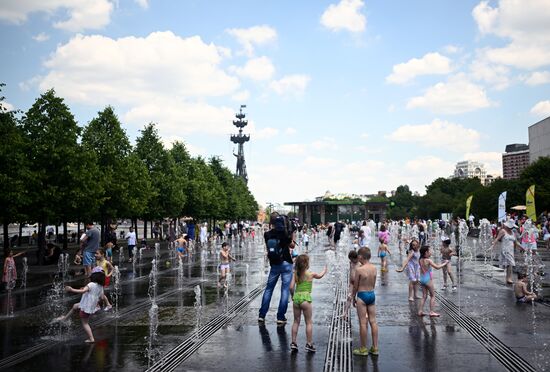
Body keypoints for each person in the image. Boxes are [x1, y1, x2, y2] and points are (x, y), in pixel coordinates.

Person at [258, 213, 296, 324]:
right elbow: (292, 246)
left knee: (269, 289)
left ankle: (262, 315)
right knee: (284, 290)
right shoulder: (284, 234)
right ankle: (280, 317)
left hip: (274, 264)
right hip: (286, 264)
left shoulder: (267, 234)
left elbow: (269, 249)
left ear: (271, 223)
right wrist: (291, 234)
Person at [53, 268, 106, 343]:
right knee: (75, 306)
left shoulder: (91, 284)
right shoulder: (100, 286)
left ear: (94, 276)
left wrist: (72, 289)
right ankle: (65, 318)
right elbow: (102, 297)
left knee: (85, 323)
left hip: (86, 307)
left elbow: (83, 291)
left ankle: (91, 339)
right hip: (90, 305)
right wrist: (94, 299)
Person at [290, 254, 327, 353]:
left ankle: (293, 343)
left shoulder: (295, 274)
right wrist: (325, 270)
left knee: (296, 321)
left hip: (297, 298)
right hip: (306, 299)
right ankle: (309, 344)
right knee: (309, 322)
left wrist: (292, 296)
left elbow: (291, 287)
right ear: (306, 264)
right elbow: (320, 275)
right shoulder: (311, 274)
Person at [352, 247, 378, 356]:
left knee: (363, 323)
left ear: (360, 257)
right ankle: (375, 348)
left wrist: (353, 296)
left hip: (362, 296)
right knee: (373, 321)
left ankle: (363, 349)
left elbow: (355, 286)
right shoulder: (374, 268)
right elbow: (374, 282)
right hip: (371, 294)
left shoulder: (359, 269)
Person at [417, 246, 448, 317]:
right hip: (428, 279)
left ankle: (420, 311)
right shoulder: (428, 260)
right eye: (429, 251)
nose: (431, 252)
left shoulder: (420, 259)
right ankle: (431, 312)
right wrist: (445, 263)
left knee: (424, 296)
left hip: (422, 279)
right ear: (426, 252)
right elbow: (437, 267)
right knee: (433, 296)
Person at [492, 220, 521, 284]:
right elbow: (497, 239)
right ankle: (509, 278)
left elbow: (516, 242)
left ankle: (508, 278)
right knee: (510, 263)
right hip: (505, 250)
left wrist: (523, 248)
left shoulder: (513, 233)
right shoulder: (503, 231)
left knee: (509, 264)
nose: (512, 228)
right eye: (511, 227)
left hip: (511, 250)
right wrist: (492, 245)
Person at [343, 250, 360, 317]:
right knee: (349, 297)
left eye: (352, 259)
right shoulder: (351, 263)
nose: (351, 261)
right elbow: (351, 272)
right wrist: (349, 282)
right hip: (352, 283)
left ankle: (363, 312)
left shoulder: (360, 264)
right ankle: (345, 312)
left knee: (359, 298)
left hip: (358, 284)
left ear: (356, 258)